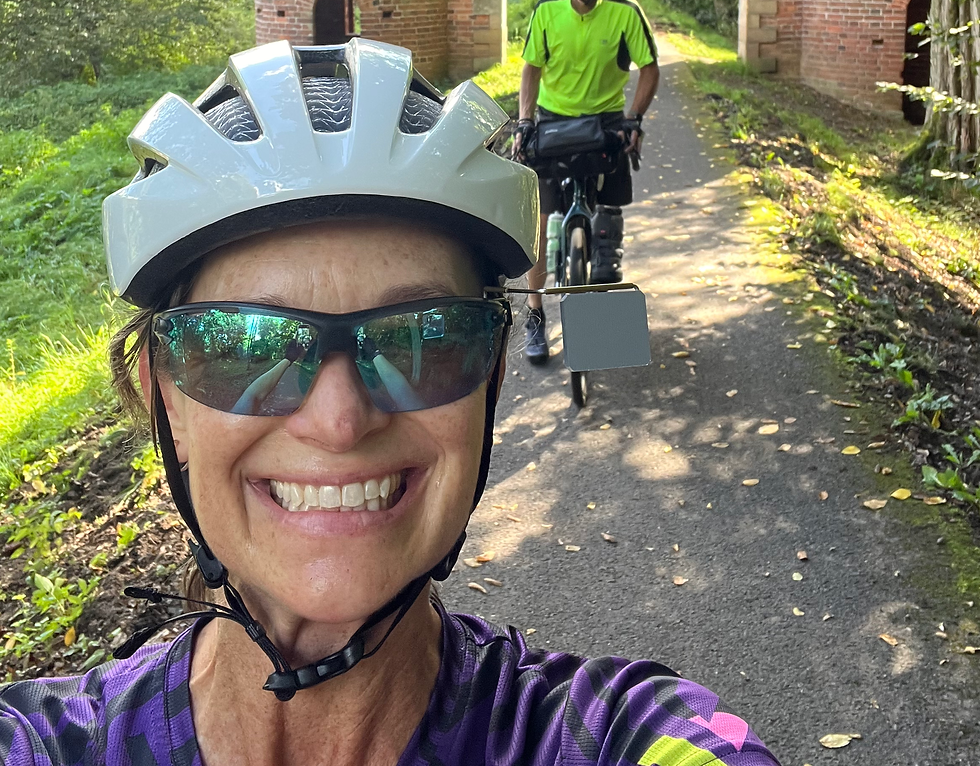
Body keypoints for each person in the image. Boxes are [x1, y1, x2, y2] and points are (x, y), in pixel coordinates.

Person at [0, 38, 780, 766]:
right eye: (247, 345)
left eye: (426, 339)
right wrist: (534, 119)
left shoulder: (601, 734)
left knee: (600, 240)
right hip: (551, 134)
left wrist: (631, 122)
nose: (340, 423)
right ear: (164, 399)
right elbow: (533, 82)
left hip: (598, 146)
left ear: (493, 380)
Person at [515, 0, 660, 364]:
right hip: (555, 122)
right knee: (538, 228)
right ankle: (535, 316)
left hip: (606, 122)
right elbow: (531, 70)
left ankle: (604, 337)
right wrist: (524, 122)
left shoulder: (625, 12)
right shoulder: (546, 11)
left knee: (607, 227)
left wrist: (634, 118)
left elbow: (650, 68)